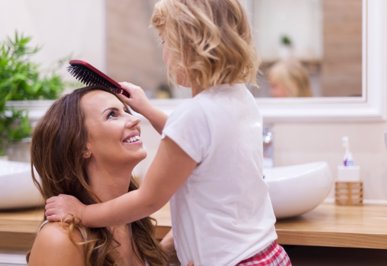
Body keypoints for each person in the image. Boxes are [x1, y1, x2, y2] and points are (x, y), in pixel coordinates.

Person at [45, 0, 292, 265]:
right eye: (112, 114)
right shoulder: (241, 100)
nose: (164, 54)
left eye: (165, 43)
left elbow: (148, 199)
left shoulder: (195, 116)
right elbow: (194, 141)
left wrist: (82, 213)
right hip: (270, 254)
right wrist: (147, 109)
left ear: (187, 47)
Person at [27, 86, 168, 266]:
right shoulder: (61, 239)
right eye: (112, 114)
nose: (134, 120)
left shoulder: (132, 223)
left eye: (126, 111)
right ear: (81, 147)